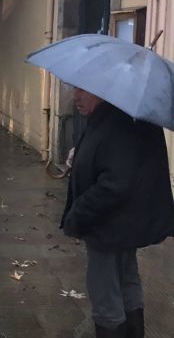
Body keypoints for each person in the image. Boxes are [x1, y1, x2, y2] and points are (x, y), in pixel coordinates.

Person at [61, 88, 174, 338]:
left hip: (108, 224)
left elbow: (115, 184)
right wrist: (79, 155)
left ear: (103, 91)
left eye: (82, 90)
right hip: (126, 221)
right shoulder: (123, 117)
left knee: (104, 292)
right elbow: (111, 160)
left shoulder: (116, 123)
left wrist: (79, 213)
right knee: (127, 279)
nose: (75, 97)